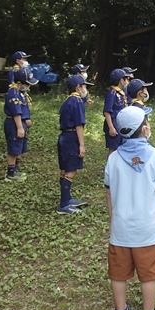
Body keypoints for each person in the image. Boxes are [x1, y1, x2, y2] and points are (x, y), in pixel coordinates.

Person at [105, 106, 155, 310]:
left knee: (118, 273)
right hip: (148, 229)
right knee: (148, 274)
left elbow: (109, 193)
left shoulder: (113, 158)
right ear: (145, 129)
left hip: (120, 229)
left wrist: (113, 219)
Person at [56, 75, 93, 215]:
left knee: (65, 168)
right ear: (78, 87)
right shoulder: (77, 102)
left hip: (64, 137)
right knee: (71, 169)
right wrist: (81, 145)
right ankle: (64, 205)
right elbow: (79, 125)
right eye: (84, 86)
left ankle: (67, 198)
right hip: (72, 138)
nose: (86, 89)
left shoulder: (68, 101)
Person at [3, 67, 38, 182]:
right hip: (14, 123)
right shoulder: (13, 93)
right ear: (19, 83)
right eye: (27, 84)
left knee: (19, 148)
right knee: (13, 149)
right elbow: (16, 112)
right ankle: (10, 174)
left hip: (21, 123)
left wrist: (27, 120)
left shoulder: (21, 92)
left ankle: (16, 169)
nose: (29, 86)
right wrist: (19, 127)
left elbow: (23, 109)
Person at [103, 68, 129, 155]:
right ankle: (110, 167)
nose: (127, 81)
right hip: (113, 124)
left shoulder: (120, 93)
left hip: (120, 124)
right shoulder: (112, 93)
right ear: (121, 80)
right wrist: (111, 127)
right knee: (113, 148)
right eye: (125, 79)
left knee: (119, 147)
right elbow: (107, 111)